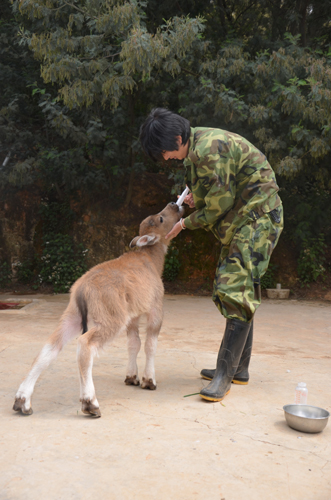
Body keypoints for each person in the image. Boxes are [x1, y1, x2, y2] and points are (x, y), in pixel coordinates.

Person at [139, 108, 283, 402]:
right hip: (245, 217)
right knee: (242, 287)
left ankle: (223, 376)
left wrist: (183, 224)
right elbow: (211, 188)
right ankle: (238, 368)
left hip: (258, 218)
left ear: (178, 138)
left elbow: (218, 206)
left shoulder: (208, 150)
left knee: (233, 288)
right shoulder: (197, 144)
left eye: (165, 151)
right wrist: (195, 198)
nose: (166, 158)